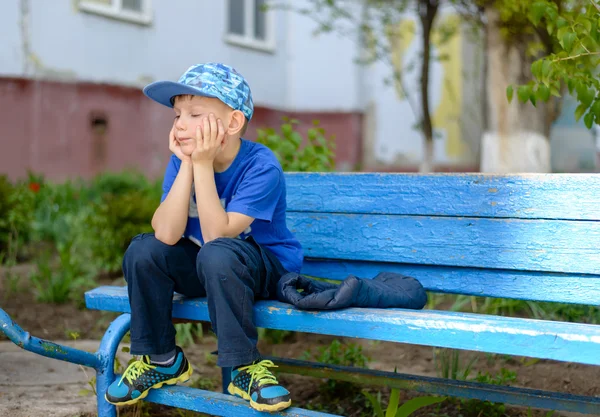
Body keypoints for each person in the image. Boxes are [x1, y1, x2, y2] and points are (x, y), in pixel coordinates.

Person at [104, 63, 303, 413]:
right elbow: (165, 233)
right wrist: (187, 165)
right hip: (210, 266)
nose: (180, 124)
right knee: (143, 250)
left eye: (195, 114)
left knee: (219, 254)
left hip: (263, 270)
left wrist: (202, 164)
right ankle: (162, 359)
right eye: (177, 114)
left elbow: (216, 237)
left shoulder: (261, 166)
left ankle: (244, 368)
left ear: (233, 123)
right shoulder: (183, 160)